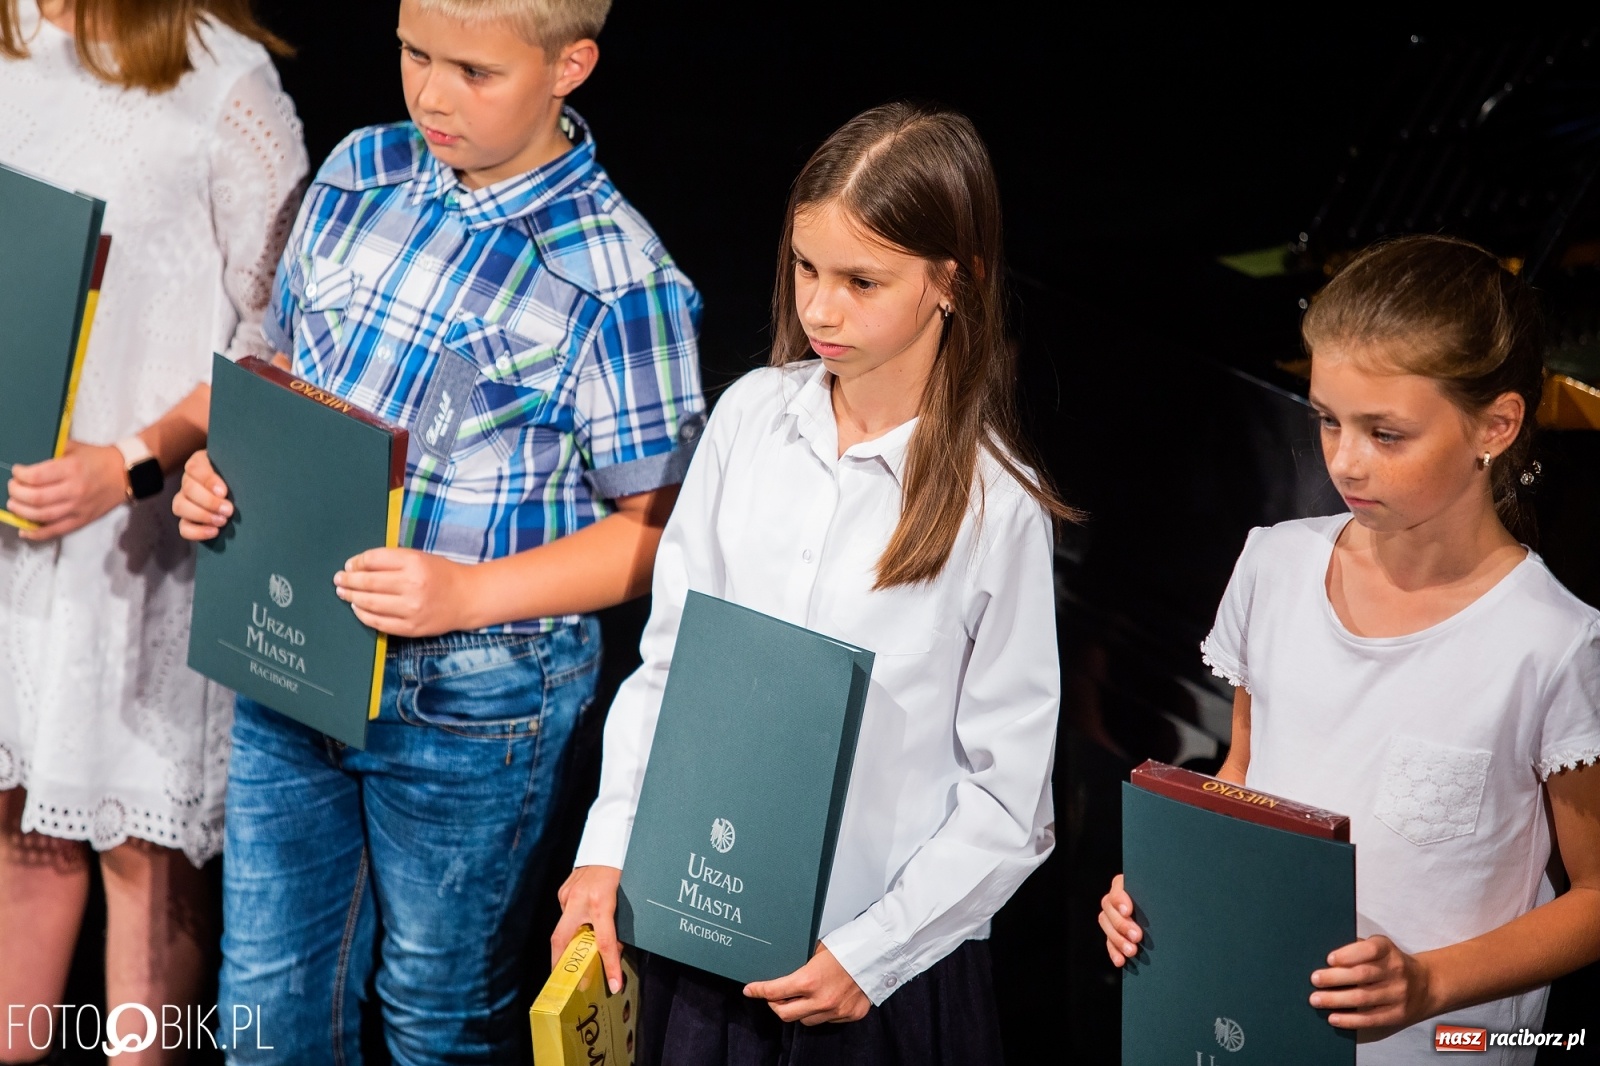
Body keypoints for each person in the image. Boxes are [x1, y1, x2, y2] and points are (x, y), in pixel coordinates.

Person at [172, 0, 702, 1061]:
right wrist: (221, 466)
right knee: (268, 1006)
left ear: (570, 66)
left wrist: (470, 594)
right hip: (297, 653)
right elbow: (285, 360)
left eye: (473, 70)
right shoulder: (362, 169)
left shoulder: (620, 279)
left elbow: (661, 534)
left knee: (435, 1010)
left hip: (469, 694)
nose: (430, 94)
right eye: (414, 53)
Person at [552, 101, 1071, 1064]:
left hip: (869, 980)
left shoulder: (998, 509)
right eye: (806, 269)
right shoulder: (751, 417)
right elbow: (668, 670)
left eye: (862, 281)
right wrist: (605, 849)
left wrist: (871, 954)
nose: (820, 310)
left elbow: (1010, 805)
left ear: (953, 282)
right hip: (701, 929)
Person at [1099, 235, 1600, 1063]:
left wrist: (1431, 985)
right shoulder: (1275, 563)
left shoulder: (1551, 642)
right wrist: (1166, 889)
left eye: (1387, 433)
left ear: (1498, 425)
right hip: (1261, 1023)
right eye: (1328, 420)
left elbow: (1592, 897)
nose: (1344, 461)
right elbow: (1245, 775)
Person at [0, 0, 306, 1061]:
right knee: (18, 826)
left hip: (140, 548)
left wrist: (132, 458)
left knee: (139, 846)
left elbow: (278, 334)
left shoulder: (224, 86)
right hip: (12, 535)